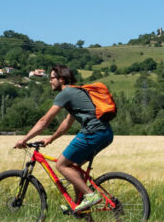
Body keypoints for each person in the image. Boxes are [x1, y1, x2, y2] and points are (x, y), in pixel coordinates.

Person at [14, 64, 114, 212]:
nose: (50, 81)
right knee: (73, 167)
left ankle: (90, 196)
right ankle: (80, 208)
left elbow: (44, 121)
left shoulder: (65, 94)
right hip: (106, 133)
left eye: (52, 78)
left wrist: (24, 139)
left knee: (61, 164)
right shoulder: (77, 93)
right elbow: (66, 123)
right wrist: (51, 139)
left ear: (61, 79)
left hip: (93, 132)